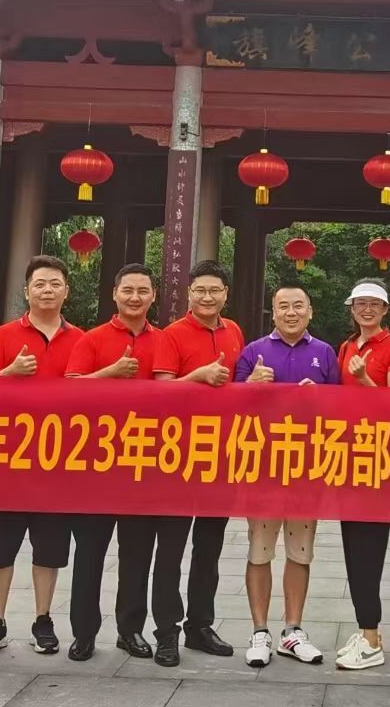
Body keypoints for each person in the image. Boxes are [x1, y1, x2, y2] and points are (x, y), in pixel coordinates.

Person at [0, 255, 83, 659]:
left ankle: (42, 618)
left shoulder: (81, 340)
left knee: (49, 547)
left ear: (66, 291)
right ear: (26, 291)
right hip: (7, 460)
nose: (47, 290)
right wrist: (11, 372)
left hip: (58, 462)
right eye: (39, 284)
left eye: (55, 284)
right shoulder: (3, 337)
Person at [63, 263, 166, 664]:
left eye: (142, 291)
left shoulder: (164, 340)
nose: (135, 297)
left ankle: (130, 629)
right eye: (128, 290)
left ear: (153, 296)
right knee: (89, 553)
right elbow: (69, 391)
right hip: (96, 465)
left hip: (144, 463)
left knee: (137, 554)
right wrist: (111, 373)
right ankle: (84, 633)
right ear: (115, 294)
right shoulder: (91, 339)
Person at [236, 284, 339, 669]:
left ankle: (293, 630)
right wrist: (250, 385)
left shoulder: (324, 353)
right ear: (273, 311)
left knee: (300, 551)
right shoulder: (253, 351)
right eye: (284, 306)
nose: (291, 312)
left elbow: (345, 408)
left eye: (298, 306)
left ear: (310, 311)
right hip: (263, 468)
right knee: (259, 550)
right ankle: (259, 631)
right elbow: (228, 406)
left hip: (306, 469)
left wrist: (321, 398)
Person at [153, 260, 245, 665]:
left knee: (209, 548)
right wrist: (199, 376)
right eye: (200, 290)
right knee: (171, 549)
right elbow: (160, 391)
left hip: (220, 455)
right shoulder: (172, 334)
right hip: (177, 455)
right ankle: (166, 631)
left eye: (215, 290)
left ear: (226, 294)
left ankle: (200, 625)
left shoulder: (234, 331)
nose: (207, 297)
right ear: (189, 294)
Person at [334, 278, 390, 671]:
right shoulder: (346, 346)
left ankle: (371, 637)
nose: (366, 310)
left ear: (385, 311)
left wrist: (364, 379)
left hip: (378, 459)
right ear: (352, 309)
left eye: (373, 305)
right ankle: (365, 629)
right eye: (360, 304)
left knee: (369, 547)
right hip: (348, 457)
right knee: (352, 546)